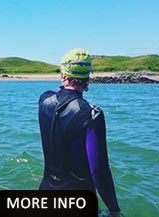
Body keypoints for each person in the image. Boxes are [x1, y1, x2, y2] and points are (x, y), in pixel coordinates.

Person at [38, 48, 124, 217]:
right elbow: (98, 169)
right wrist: (114, 209)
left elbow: (59, 94)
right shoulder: (91, 115)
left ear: (63, 75)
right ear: (88, 77)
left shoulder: (44, 100)